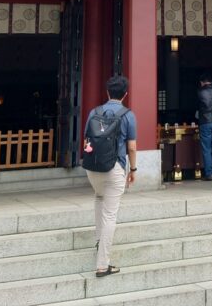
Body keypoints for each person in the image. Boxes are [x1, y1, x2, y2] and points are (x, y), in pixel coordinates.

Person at [84, 75, 137, 278]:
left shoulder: (93, 112)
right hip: (115, 167)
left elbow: (87, 140)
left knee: (99, 197)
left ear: (107, 92)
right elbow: (131, 148)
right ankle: (102, 265)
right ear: (125, 94)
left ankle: (99, 240)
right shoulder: (128, 115)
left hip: (93, 167)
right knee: (110, 215)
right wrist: (133, 170)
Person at [197, 73, 212, 181]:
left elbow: (197, 107)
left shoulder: (200, 91)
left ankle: (209, 174)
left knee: (207, 149)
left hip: (205, 122)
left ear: (202, 82)